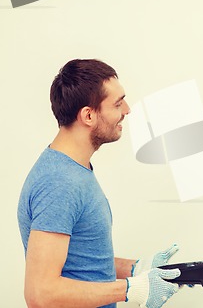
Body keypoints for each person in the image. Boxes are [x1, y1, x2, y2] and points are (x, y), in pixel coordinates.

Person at [18, 59, 182, 308]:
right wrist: (128, 290)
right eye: (118, 103)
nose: (127, 110)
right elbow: (40, 293)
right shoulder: (59, 182)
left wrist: (136, 269)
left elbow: (79, 259)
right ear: (88, 115)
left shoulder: (73, 170)